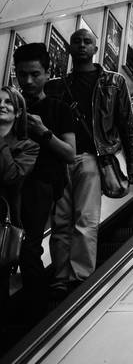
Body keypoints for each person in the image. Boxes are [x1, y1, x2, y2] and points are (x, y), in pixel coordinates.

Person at [45, 29, 133, 297]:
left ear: (96, 48)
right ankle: (60, 276)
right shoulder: (56, 85)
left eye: (88, 42)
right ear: (70, 49)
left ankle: (80, 276)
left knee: (85, 219)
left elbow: (128, 125)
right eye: (77, 42)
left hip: (90, 158)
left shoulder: (114, 82)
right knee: (61, 221)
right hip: (61, 157)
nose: (82, 46)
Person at [13, 44, 76, 320]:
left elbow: (70, 154)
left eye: (35, 74)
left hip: (41, 186)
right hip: (10, 184)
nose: (27, 81)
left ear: (48, 73)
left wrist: (43, 132)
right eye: (22, 74)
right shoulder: (8, 107)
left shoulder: (58, 109)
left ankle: (34, 316)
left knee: (29, 249)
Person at [0, 86, 39, 325]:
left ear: (18, 112)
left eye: (8, 102)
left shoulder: (28, 146)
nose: (1, 105)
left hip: (2, 227)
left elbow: (12, 177)